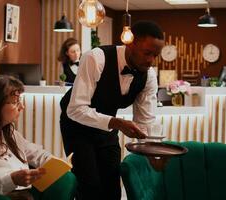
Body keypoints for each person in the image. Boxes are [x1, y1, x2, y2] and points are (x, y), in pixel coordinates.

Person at [59, 21, 165, 200]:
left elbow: (145, 121)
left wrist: (152, 154)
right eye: (147, 53)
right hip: (76, 126)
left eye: (155, 55)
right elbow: (76, 109)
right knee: (89, 186)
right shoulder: (96, 58)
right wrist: (116, 123)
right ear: (130, 44)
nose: (150, 60)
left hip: (107, 128)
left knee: (112, 185)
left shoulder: (148, 76)